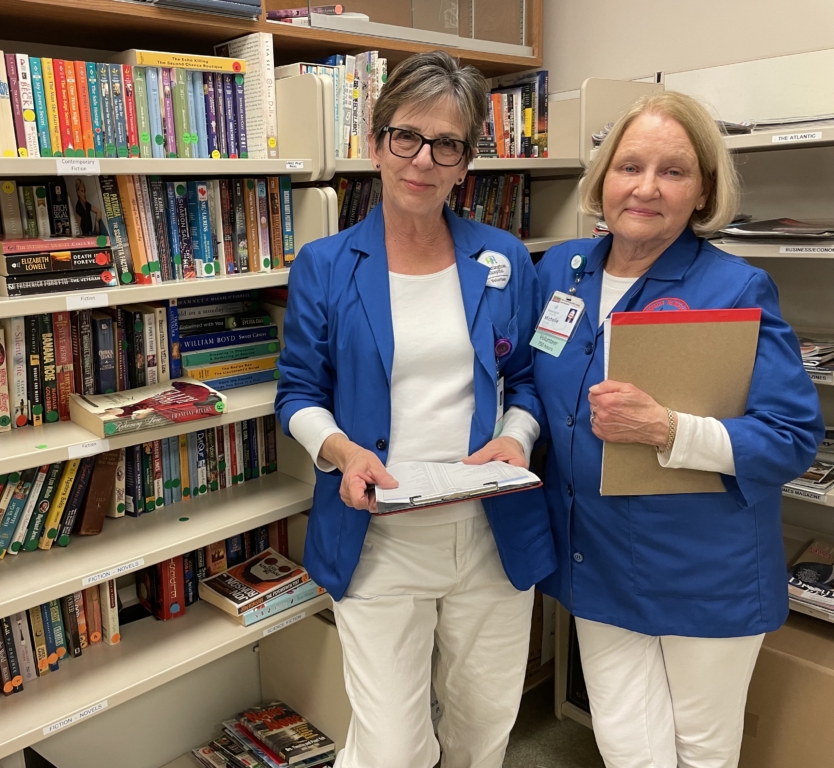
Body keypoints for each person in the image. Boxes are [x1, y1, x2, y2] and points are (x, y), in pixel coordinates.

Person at [521, 91, 824, 768]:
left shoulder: (735, 288)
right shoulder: (558, 272)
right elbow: (530, 386)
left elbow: (791, 439)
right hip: (592, 555)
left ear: (703, 191)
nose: (647, 188)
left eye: (674, 171)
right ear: (603, 180)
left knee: (699, 751)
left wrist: (668, 429)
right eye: (629, 166)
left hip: (701, 568)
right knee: (627, 746)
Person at [275, 51, 555, 768]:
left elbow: (525, 381)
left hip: (489, 532)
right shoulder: (327, 264)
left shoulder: (503, 259)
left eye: (447, 144)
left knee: (481, 732)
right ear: (374, 143)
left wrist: (517, 438)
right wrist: (341, 451)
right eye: (406, 136)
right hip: (380, 537)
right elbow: (297, 395)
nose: (422, 160)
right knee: (393, 749)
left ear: (465, 163)